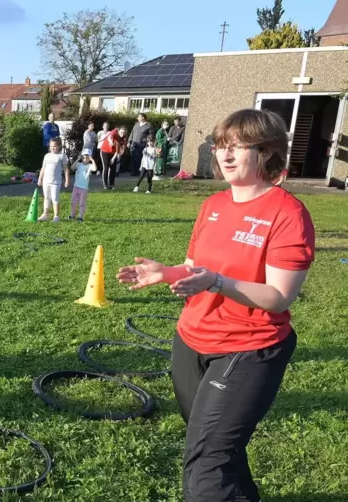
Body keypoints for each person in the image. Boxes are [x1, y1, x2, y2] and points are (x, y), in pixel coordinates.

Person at [116, 108, 315, 502]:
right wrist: (167, 273)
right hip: (191, 339)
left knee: (208, 462)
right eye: (222, 145)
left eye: (239, 146)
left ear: (268, 152)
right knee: (212, 441)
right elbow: (195, 268)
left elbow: (278, 296)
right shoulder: (214, 205)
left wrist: (220, 282)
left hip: (249, 346)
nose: (225, 154)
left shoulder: (287, 214)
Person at [37, 137, 70, 222]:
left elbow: (66, 169)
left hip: (56, 181)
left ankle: (56, 216)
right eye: (51, 146)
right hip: (46, 181)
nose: (52, 148)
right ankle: (45, 214)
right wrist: (40, 179)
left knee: (55, 198)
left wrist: (67, 180)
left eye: (55, 146)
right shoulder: (47, 156)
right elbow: (43, 168)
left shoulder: (62, 156)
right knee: (46, 197)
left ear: (59, 146)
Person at [69, 148, 96, 221]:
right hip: (76, 186)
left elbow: (95, 168)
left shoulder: (90, 166)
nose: (85, 159)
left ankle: (80, 216)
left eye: (87, 158)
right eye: (83, 157)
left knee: (82, 202)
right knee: (73, 201)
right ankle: (72, 215)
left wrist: (93, 160)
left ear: (89, 158)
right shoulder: (79, 164)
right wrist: (78, 159)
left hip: (84, 188)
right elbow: (72, 167)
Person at [100, 125, 128, 190]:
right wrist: (110, 142)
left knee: (113, 168)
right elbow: (110, 136)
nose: (122, 134)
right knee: (106, 167)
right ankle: (105, 185)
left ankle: (112, 184)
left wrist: (113, 158)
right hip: (105, 151)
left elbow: (120, 150)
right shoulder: (114, 131)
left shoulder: (124, 138)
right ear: (119, 131)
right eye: (121, 132)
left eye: (124, 133)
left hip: (114, 153)